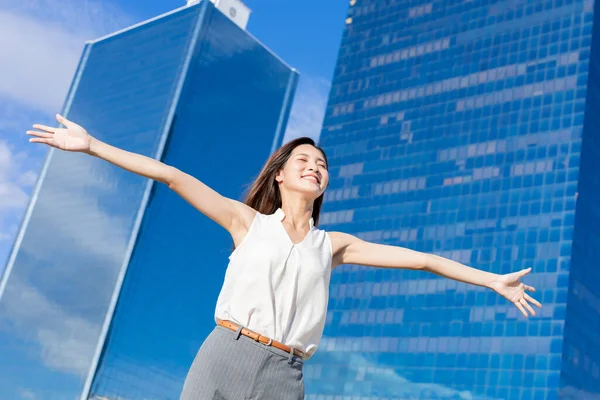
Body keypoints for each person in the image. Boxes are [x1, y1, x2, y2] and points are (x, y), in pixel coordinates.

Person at [27, 114, 542, 400]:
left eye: (322, 164)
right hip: (226, 353)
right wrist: (92, 145)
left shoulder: (333, 245)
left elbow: (423, 260)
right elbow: (171, 176)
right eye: (304, 160)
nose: (315, 167)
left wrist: (491, 279)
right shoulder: (246, 222)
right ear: (280, 174)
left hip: (286, 375)